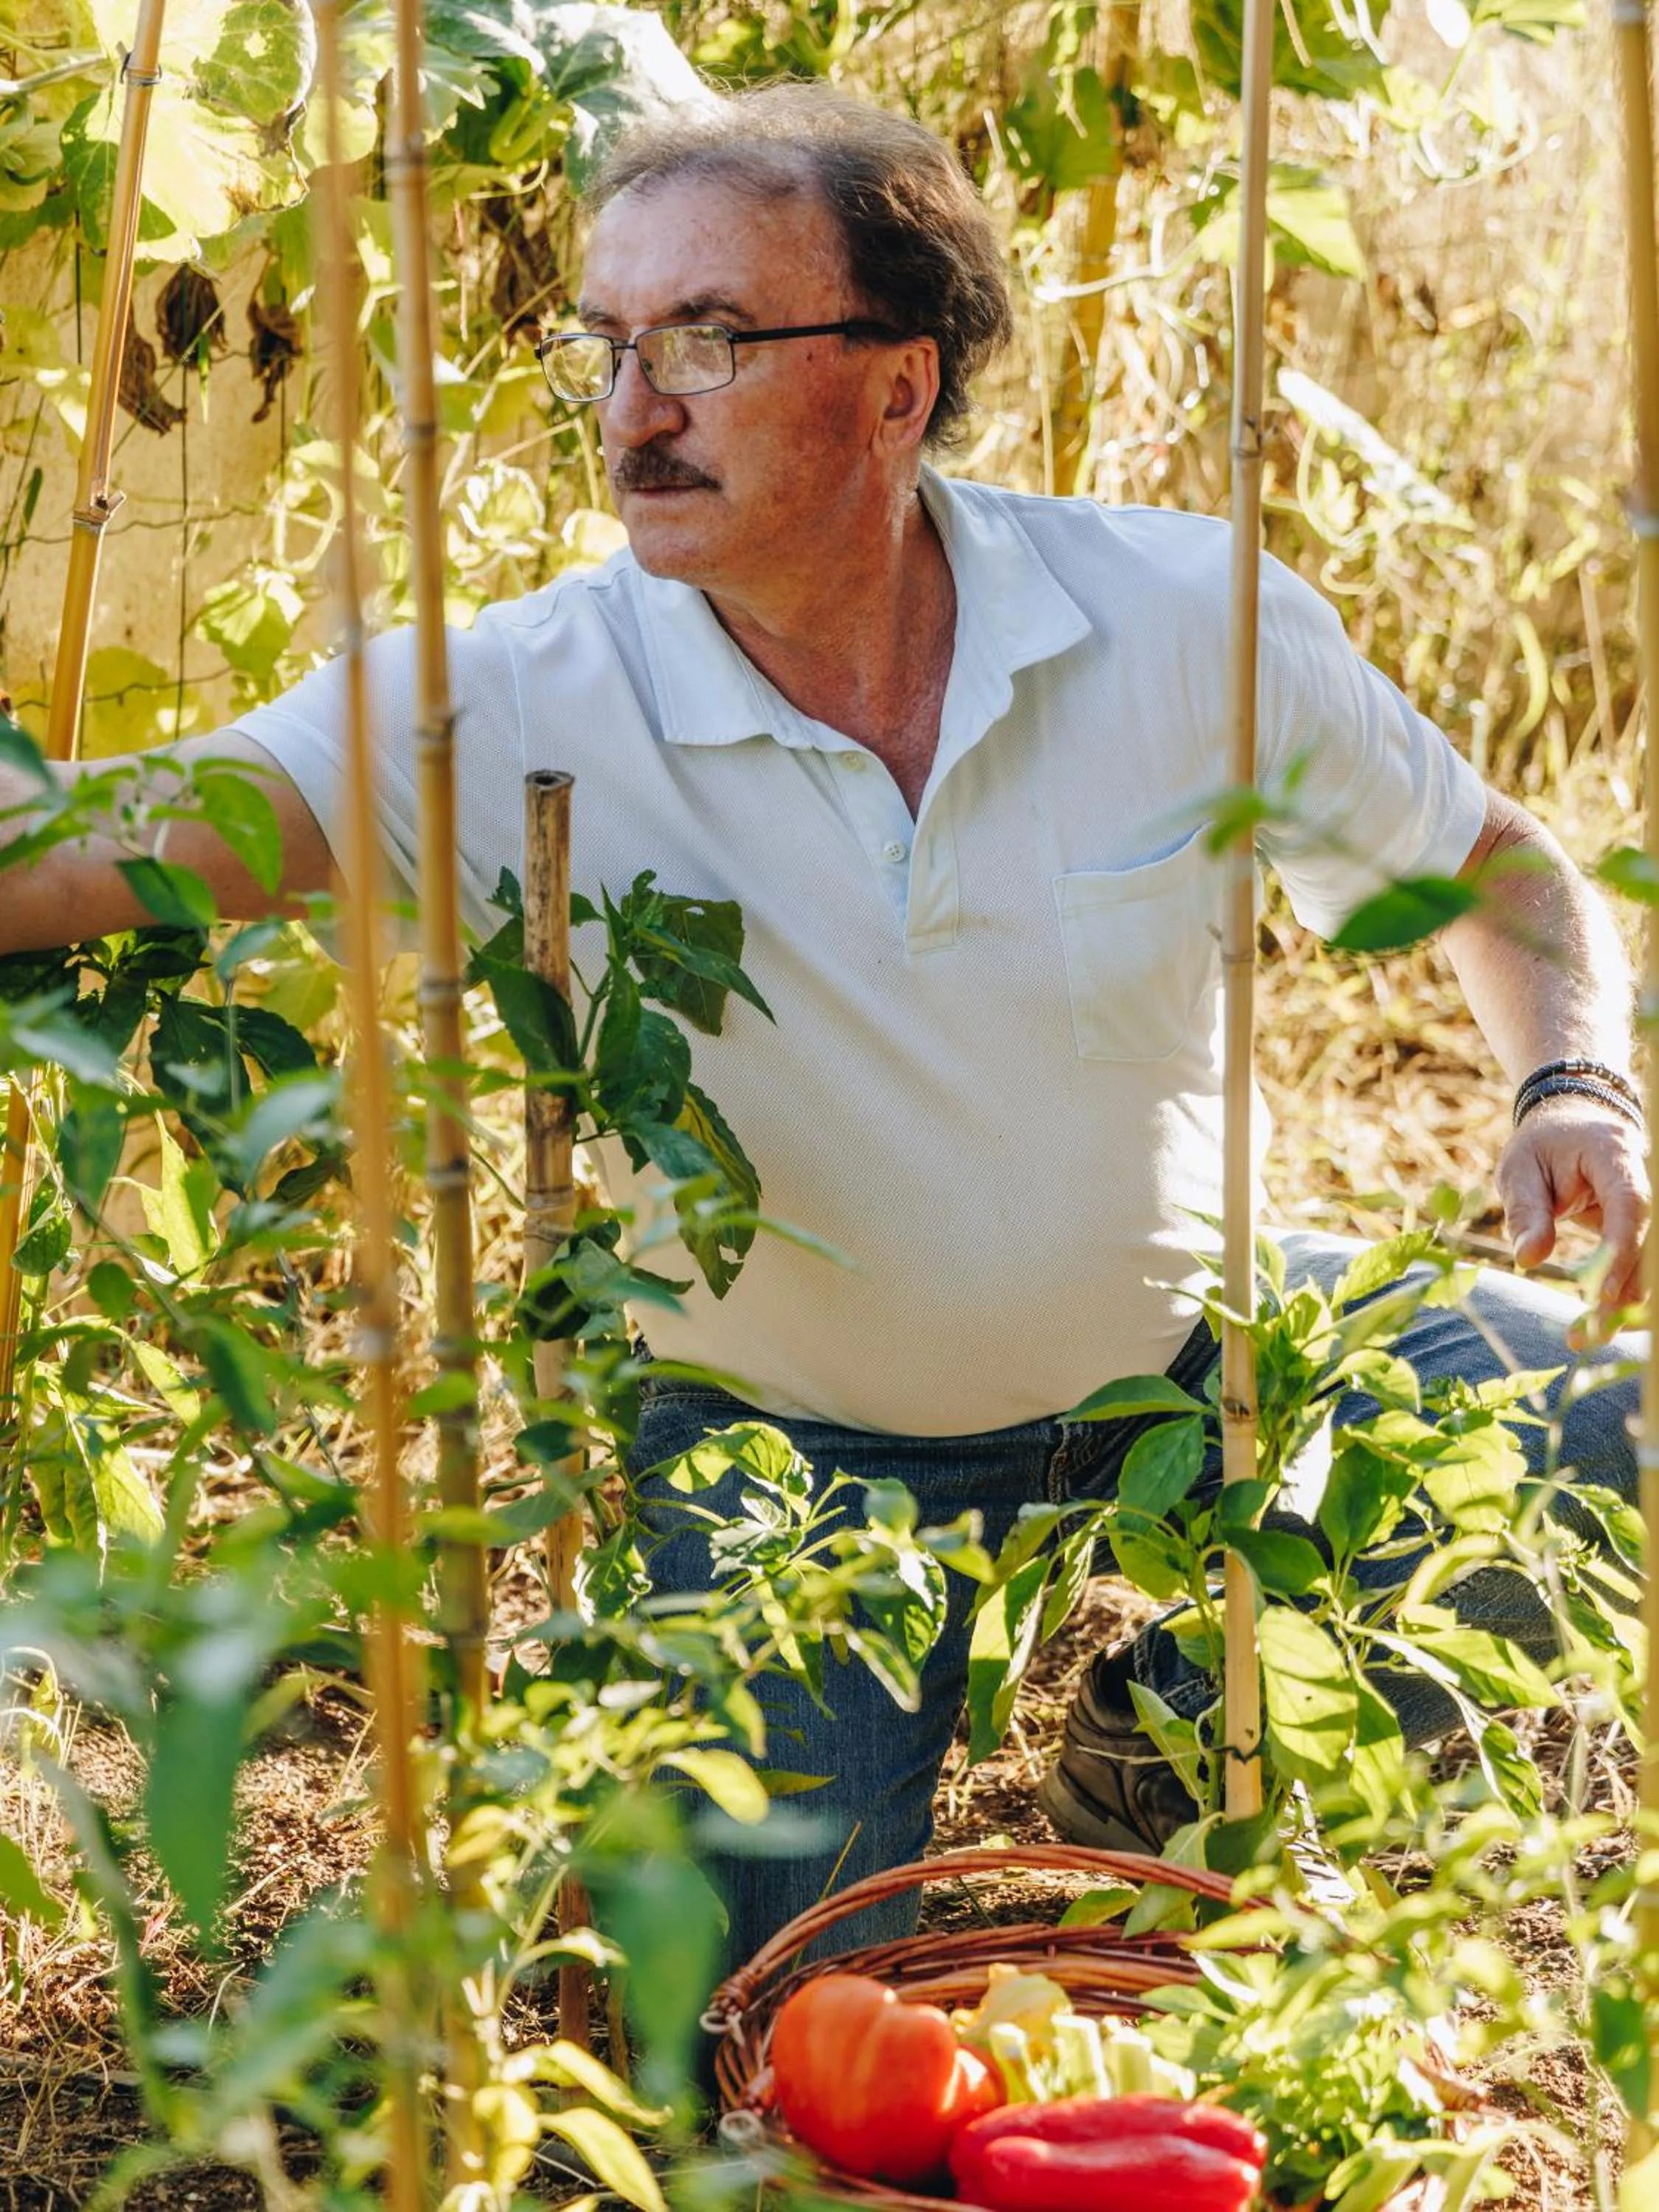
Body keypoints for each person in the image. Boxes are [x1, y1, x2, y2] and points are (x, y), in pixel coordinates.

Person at [1, 86, 1646, 1972]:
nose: (634, 410)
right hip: (794, 1465)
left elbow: (1494, 861)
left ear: (898, 385)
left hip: (1193, 1367)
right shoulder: (504, 700)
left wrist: (1570, 1079)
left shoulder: (1189, 623)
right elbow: (97, 846)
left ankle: (1166, 1741)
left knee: (1626, 1430)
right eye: (605, 348)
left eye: (706, 341)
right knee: (777, 1995)